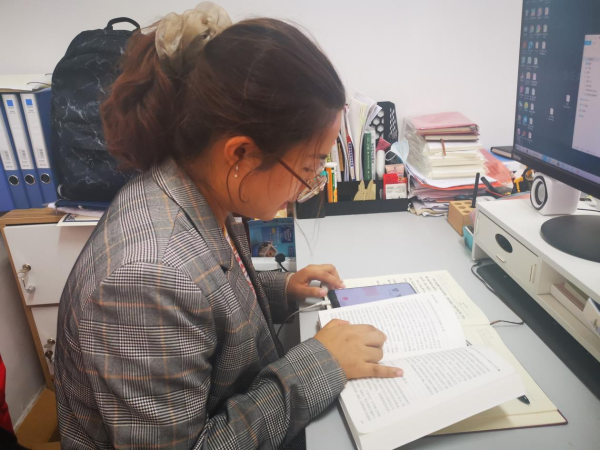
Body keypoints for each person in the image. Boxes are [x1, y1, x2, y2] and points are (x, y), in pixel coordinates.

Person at [54, 3, 402, 449]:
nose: (310, 184)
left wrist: (281, 288)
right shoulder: (147, 278)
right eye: (309, 166)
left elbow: (210, 299)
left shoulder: (192, 187)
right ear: (240, 154)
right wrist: (321, 363)